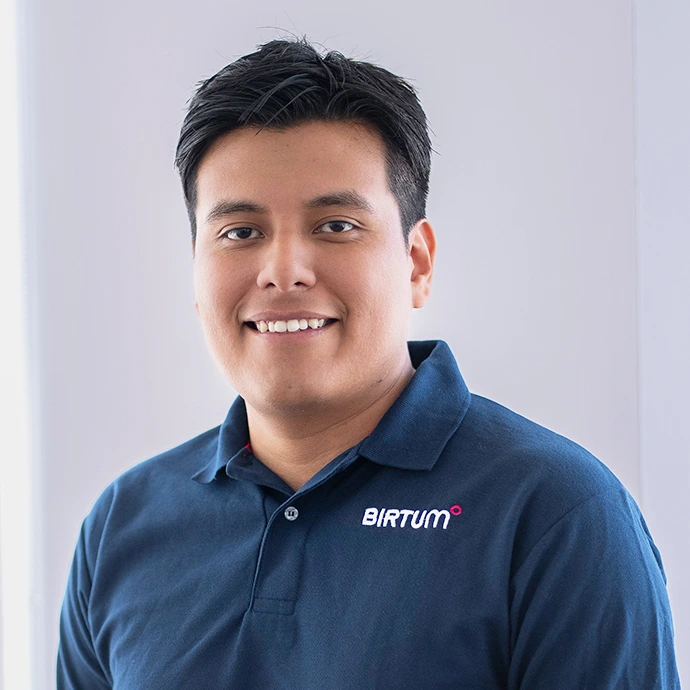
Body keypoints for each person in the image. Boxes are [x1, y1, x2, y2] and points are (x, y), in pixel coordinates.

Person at [57, 37, 681, 689]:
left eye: (335, 226)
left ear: (417, 264)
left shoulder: (557, 514)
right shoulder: (121, 527)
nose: (283, 272)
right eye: (241, 232)